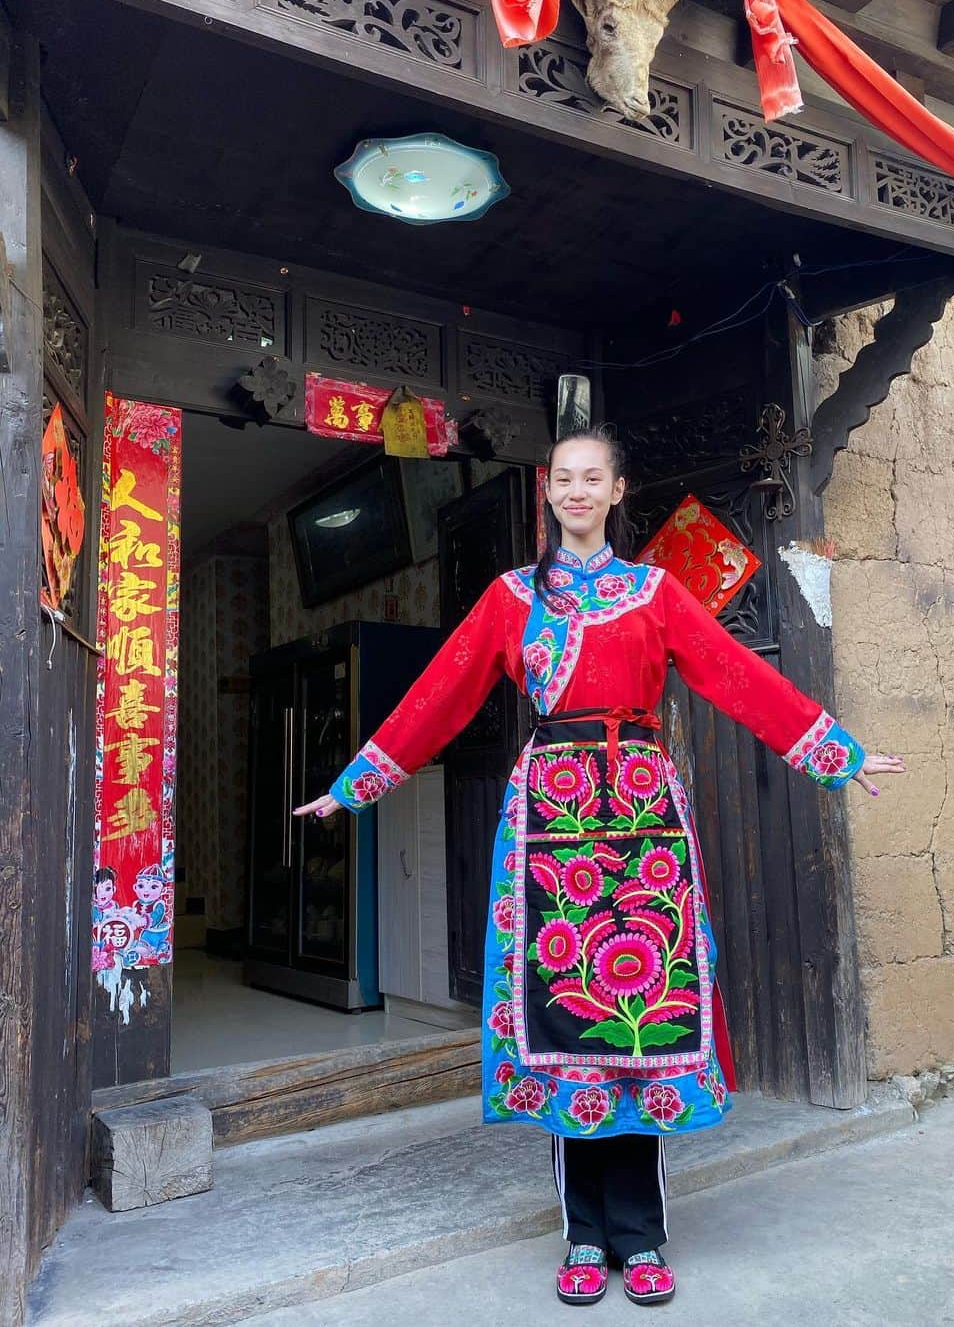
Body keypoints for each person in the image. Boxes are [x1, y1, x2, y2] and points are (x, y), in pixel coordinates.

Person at [295, 424, 904, 1307]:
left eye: (593, 478)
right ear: (548, 493)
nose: (576, 492)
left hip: (647, 820)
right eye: (563, 480)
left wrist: (835, 752)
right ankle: (583, 1234)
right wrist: (356, 784)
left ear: (619, 492)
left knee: (641, 1024)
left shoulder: (657, 593)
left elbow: (738, 675)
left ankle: (643, 1235)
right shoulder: (511, 598)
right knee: (566, 1026)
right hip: (550, 821)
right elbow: (439, 695)